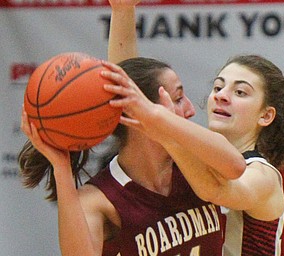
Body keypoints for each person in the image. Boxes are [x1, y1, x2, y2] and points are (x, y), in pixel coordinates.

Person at [18, 1, 246, 256]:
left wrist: (123, 11)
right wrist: (61, 170)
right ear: (138, 112)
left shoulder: (194, 165)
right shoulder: (100, 199)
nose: (192, 109)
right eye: (178, 97)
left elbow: (235, 166)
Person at [100, 54, 284, 255]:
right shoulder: (194, 160)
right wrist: (122, 15)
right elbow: (134, 82)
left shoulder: (263, 176)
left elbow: (216, 189)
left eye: (240, 92)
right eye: (217, 88)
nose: (222, 96)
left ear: (265, 115)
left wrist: (163, 127)